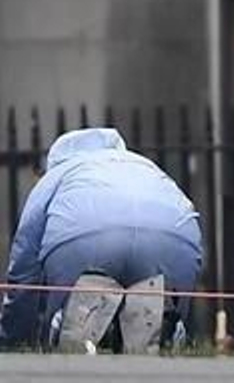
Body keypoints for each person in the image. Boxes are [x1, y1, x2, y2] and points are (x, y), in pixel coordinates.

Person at [0, 128, 202, 354]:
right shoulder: (144, 166)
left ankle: (71, 330)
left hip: (82, 239)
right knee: (160, 326)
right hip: (174, 238)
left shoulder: (56, 176)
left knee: (65, 332)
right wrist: (180, 309)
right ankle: (165, 329)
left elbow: (23, 274)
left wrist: (13, 342)